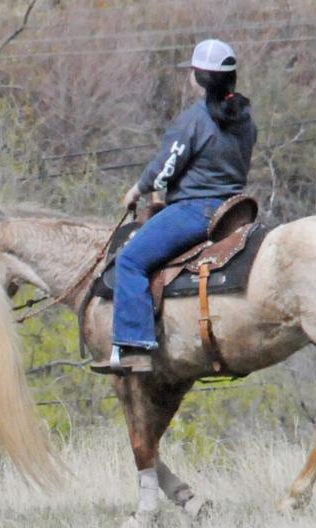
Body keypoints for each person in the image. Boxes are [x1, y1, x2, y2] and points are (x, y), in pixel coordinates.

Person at [95, 39, 257, 374]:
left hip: (196, 210)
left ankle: (135, 347)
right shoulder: (245, 117)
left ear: (200, 78)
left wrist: (138, 189)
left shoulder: (194, 119)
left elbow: (167, 167)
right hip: (233, 207)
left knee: (130, 260)